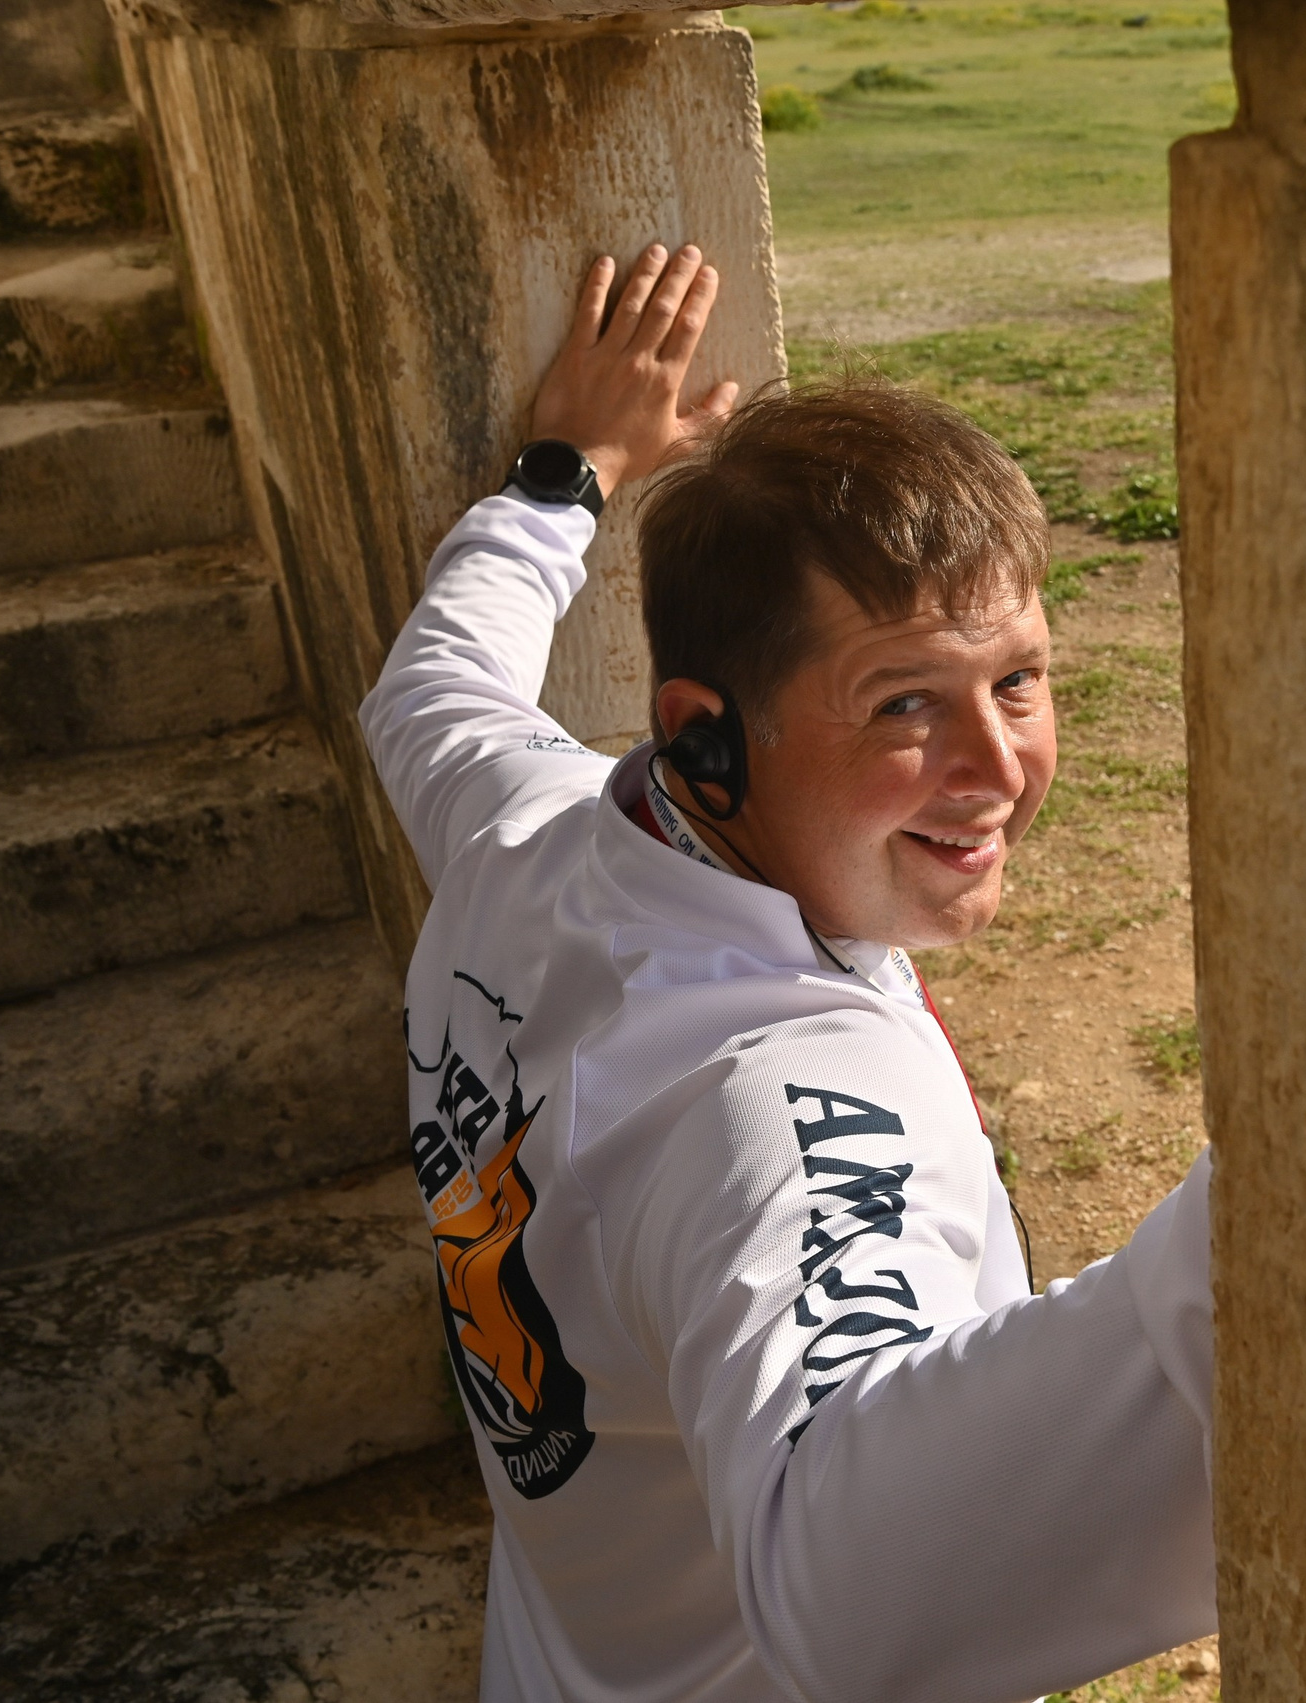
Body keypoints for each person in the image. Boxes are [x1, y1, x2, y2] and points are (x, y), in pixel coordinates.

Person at [359, 242, 1215, 1703]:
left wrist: (565, 472)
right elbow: (861, 1588)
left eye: (1016, 677)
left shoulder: (533, 820)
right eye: (904, 703)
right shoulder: (773, 1100)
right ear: (704, 734)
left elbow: (429, 685)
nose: (1001, 769)